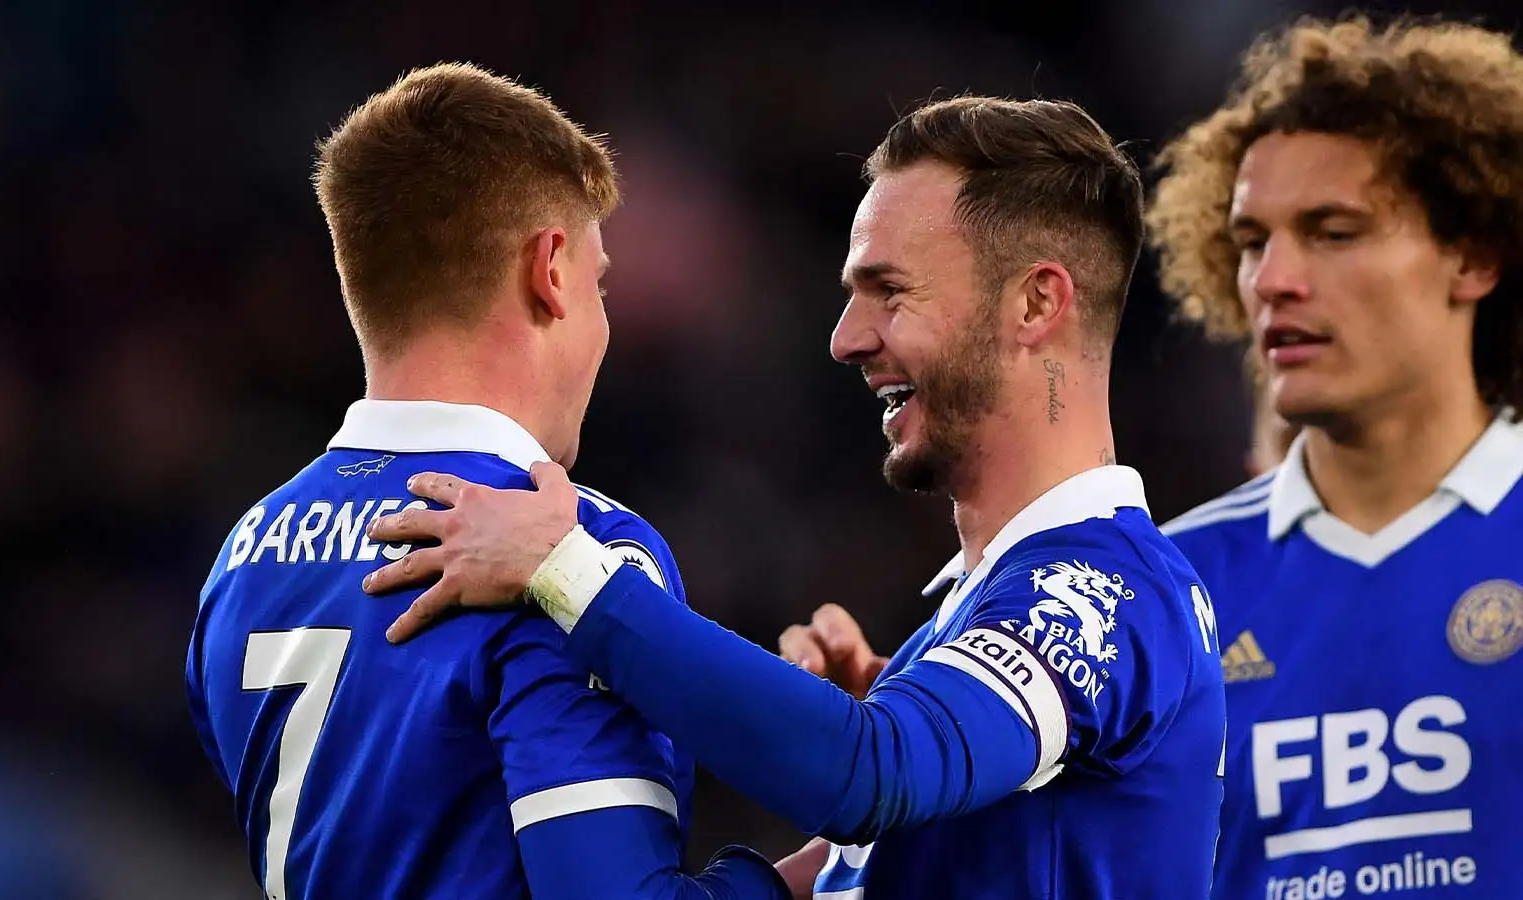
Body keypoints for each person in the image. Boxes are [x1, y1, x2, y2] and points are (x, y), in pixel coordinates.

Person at [361, 96, 1227, 899]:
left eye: (889, 291)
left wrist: (568, 573)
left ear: (1038, 302)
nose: (847, 340)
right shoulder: (977, 618)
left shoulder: (1100, 590)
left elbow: (870, 775)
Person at [184, 63, 789, 900]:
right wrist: (810, 877)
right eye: (598, 280)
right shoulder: (567, 551)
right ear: (549, 271)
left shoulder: (242, 557)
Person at [1146, 15, 1523, 899]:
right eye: (1251, 242)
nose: (1274, 280)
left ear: (1470, 256)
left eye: (1333, 231)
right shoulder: (1166, 591)